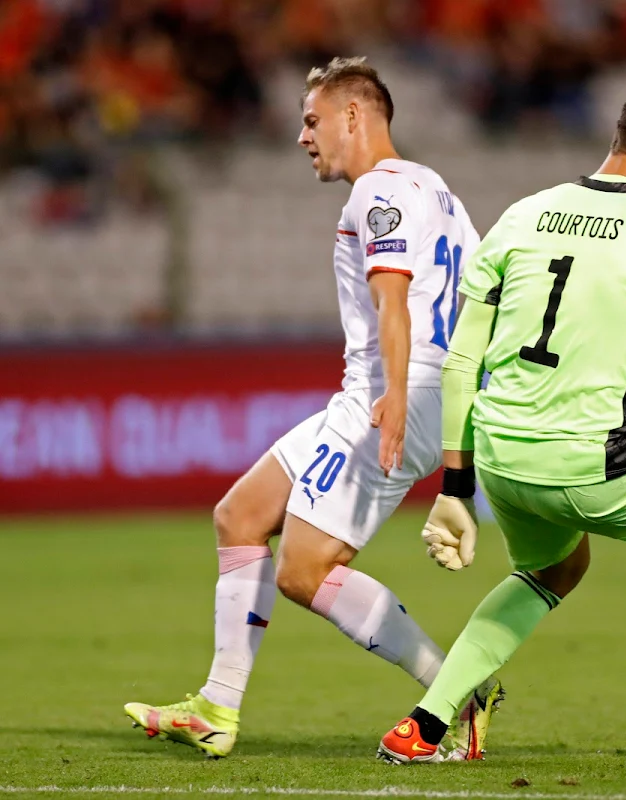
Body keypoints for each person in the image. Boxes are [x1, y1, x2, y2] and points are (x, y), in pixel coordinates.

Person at [376, 78, 626, 764]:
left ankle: (423, 725)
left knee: (556, 570)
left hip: (504, 462)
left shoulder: (524, 213)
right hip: (591, 464)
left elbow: (459, 364)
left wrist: (455, 487)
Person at [123, 57, 502, 760]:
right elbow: (482, 299)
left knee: (304, 570)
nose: (303, 136)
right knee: (240, 515)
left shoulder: (377, 195)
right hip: (398, 394)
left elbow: (393, 300)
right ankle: (216, 706)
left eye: (312, 119)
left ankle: (455, 695)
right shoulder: (437, 189)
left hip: (390, 396)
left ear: (353, 116)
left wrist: (394, 396)